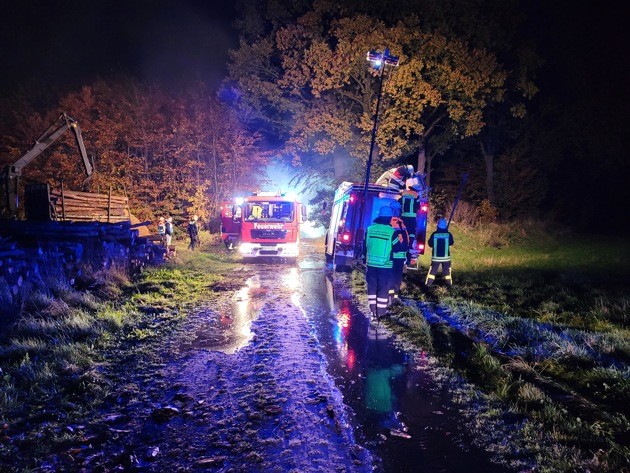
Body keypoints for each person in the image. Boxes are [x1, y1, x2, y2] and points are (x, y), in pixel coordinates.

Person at [364, 206, 406, 319]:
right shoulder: (392, 232)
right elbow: (397, 248)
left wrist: (364, 258)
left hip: (371, 265)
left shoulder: (369, 229)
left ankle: (373, 311)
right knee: (383, 288)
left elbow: (364, 246)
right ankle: (381, 313)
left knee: (372, 287)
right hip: (385, 266)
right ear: (389, 219)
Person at [388, 200, 409, 305]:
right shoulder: (395, 223)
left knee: (395, 276)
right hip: (394, 255)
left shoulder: (399, 223)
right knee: (393, 276)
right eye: (394, 210)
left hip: (397, 256)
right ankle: (392, 295)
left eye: (398, 210)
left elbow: (406, 239)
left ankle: (394, 296)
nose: (396, 211)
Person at [425, 218, 454, 287]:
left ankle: (428, 285)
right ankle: (449, 286)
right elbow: (451, 243)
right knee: (447, 273)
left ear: (438, 225)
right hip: (446, 258)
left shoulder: (434, 234)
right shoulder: (448, 234)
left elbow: (430, 244)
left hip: (436, 258)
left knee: (432, 273)